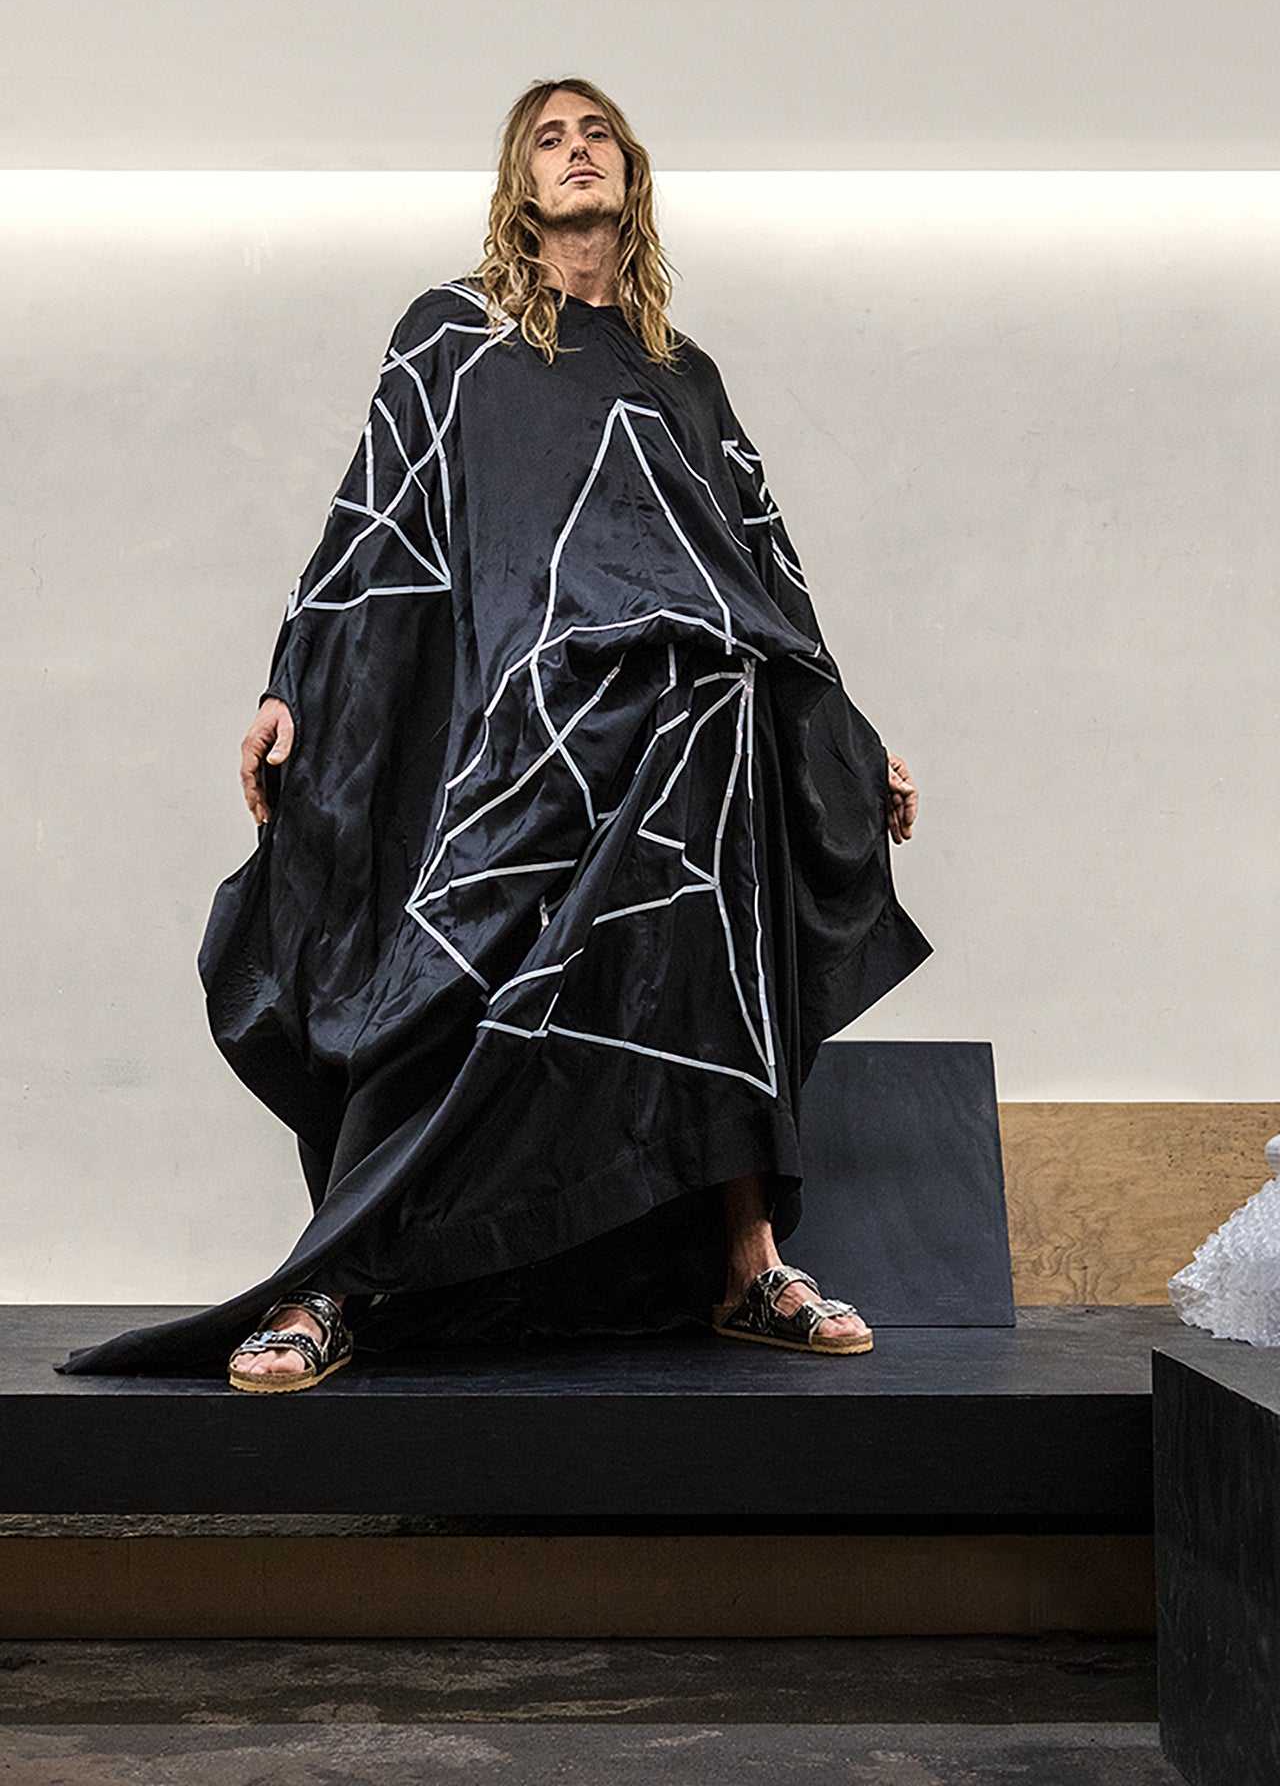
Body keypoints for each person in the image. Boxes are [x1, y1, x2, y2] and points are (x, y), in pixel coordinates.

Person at [58, 77, 930, 1392]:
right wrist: (291, 683)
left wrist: (845, 737)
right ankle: (328, 1285)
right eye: (548, 139)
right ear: (519, 185)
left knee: (712, 948)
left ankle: (751, 1264)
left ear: (630, 173)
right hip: (524, 722)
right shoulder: (456, 337)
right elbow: (375, 516)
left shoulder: (686, 378)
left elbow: (760, 562)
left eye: (596, 135)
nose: (576, 152)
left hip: (690, 714)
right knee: (438, 977)